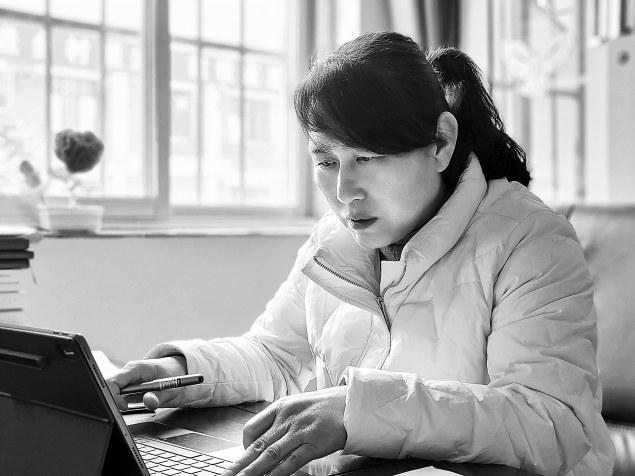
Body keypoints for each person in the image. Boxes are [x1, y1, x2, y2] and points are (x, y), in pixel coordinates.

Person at [108, 31, 615, 476]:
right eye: (326, 160)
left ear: (441, 142)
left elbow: (549, 421)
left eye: (367, 158)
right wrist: (180, 372)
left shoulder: (531, 240)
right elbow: (276, 355)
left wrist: (357, 411)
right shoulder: (334, 240)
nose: (344, 191)